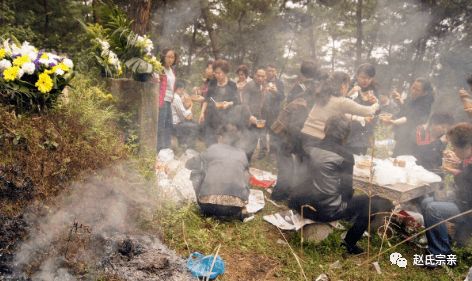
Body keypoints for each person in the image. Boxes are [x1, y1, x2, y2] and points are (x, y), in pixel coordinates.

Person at [288, 115, 393, 254]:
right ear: (346, 135)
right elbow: (347, 191)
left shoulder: (309, 147)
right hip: (323, 211)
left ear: (325, 129)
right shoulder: (346, 156)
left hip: (298, 204)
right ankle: (349, 243)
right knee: (373, 203)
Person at [270, 60, 322, 201]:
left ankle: (281, 193)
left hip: (293, 129)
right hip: (309, 132)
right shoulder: (320, 88)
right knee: (302, 162)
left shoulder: (300, 88)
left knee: (285, 159)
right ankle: (298, 193)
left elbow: (290, 106)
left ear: (302, 73)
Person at [422, 123, 472, 261]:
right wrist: (459, 162)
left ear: (467, 147)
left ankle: (440, 254)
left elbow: (468, 189)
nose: (454, 151)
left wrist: (455, 172)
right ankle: (439, 243)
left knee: (433, 209)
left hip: (468, 208)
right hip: (462, 200)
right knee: (426, 202)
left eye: (455, 148)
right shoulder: (468, 156)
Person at [186, 124, 250, 220]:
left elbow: (190, 164)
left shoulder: (213, 148)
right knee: (245, 173)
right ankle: (238, 207)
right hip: (235, 208)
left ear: (221, 137)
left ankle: (207, 201)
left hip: (208, 206)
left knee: (198, 171)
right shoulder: (242, 153)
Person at [301, 71, 378, 150]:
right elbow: (368, 111)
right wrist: (376, 103)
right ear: (343, 86)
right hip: (318, 140)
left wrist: (358, 118)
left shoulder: (324, 97)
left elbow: (334, 114)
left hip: (305, 135)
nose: (348, 88)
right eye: (348, 86)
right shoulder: (342, 101)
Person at [385, 77, 435, 156]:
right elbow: (405, 111)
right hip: (403, 136)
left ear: (424, 93)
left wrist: (394, 122)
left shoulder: (425, 104)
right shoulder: (413, 98)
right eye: (413, 88)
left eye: (417, 90)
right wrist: (400, 102)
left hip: (412, 140)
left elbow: (411, 118)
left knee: (402, 159)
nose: (413, 91)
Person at [199, 59, 239, 145]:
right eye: (215, 73)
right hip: (212, 115)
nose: (216, 75)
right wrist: (202, 113)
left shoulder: (232, 85)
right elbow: (207, 99)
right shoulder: (213, 83)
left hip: (227, 116)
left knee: (227, 141)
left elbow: (237, 101)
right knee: (210, 141)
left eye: (219, 73)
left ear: (225, 72)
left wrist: (228, 103)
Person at [345, 63, 379, 155]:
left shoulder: (374, 90)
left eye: (369, 78)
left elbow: (376, 114)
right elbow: (340, 107)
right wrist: (348, 95)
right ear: (357, 76)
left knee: (361, 163)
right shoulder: (348, 87)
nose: (366, 81)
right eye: (363, 77)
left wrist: (376, 103)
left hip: (365, 134)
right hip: (347, 132)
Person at [241, 68, 272, 160]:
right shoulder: (249, 86)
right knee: (246, 141)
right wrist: (249, 116)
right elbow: (245, 103)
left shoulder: (263, 86)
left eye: (262, 76)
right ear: (254, 75)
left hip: (259, 119)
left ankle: (247, 161)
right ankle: (241, 161)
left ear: (265, 77)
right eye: (258, 76)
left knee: (254, 142)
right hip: (248, 119)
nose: (260, 78)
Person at [157, 48, 178, 152]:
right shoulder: (160, 69)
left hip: (169, 100)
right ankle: (159, 149)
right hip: (162, 99)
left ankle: (166, 148)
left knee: (169, 125)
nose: (170, 59)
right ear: (163, 57)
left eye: (172, 57)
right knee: (161, 124)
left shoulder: (171, 70)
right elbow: (156, 83)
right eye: (168, 57)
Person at [171, 80, 199, 149]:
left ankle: (184, 144)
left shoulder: (176, 96)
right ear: (179, 89)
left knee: (193, 122)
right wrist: (191, 106)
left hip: (177, 122)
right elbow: (185, 115)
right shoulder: (176, 98)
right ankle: (189, 147)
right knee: (195, 126)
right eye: (183, 90)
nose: (183, 92)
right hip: (175, 124)